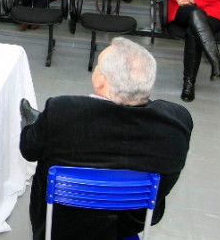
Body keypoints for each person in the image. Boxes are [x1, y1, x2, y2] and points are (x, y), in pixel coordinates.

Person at [20, 38, 192, 240]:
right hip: (126, 225)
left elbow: (28, 149)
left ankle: (37, 122)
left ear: (100, 80)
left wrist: (38, 126)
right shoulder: (177, 124)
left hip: (61, 224)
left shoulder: (63, 112)